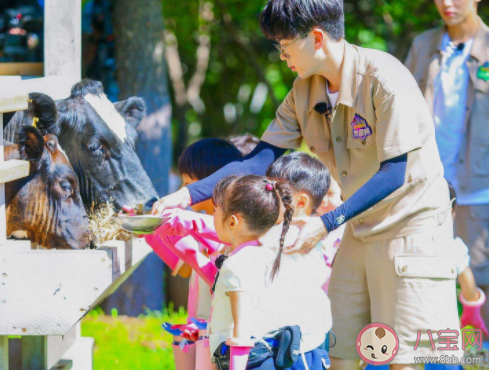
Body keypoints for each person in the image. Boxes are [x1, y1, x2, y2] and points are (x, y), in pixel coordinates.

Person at [152, 0, 462, 367]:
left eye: (284, 46)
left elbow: (395, 171)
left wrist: (326, 223)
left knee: (403, 355)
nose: (281, 56)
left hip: (412, 229)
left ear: (316, 38)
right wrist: (186, 194)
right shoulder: (304, 90)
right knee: (339, 348)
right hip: (359, 229)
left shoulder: (384, 78)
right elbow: (258, 158)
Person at [405, 0, 489, 335]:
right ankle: (439, 357)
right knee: (425, 276)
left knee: (477, 281)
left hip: (478, 187)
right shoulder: (423, 44)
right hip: (427, 184)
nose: (447, 3)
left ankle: (475, 357)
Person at [145, 138, 242, 370]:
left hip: (218, 333)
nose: (184, 191)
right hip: (196, 327)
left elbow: (216, 281)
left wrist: (188, 248)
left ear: (212, 182)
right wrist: (151, 233)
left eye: (189, 182)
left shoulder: (230, 230)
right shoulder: (200, 223)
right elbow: (183, 267)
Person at [448, 183, 488, 336]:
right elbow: (469, 285)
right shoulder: (451, 246)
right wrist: (472, 311)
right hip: (442, 321)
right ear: (452, 212)